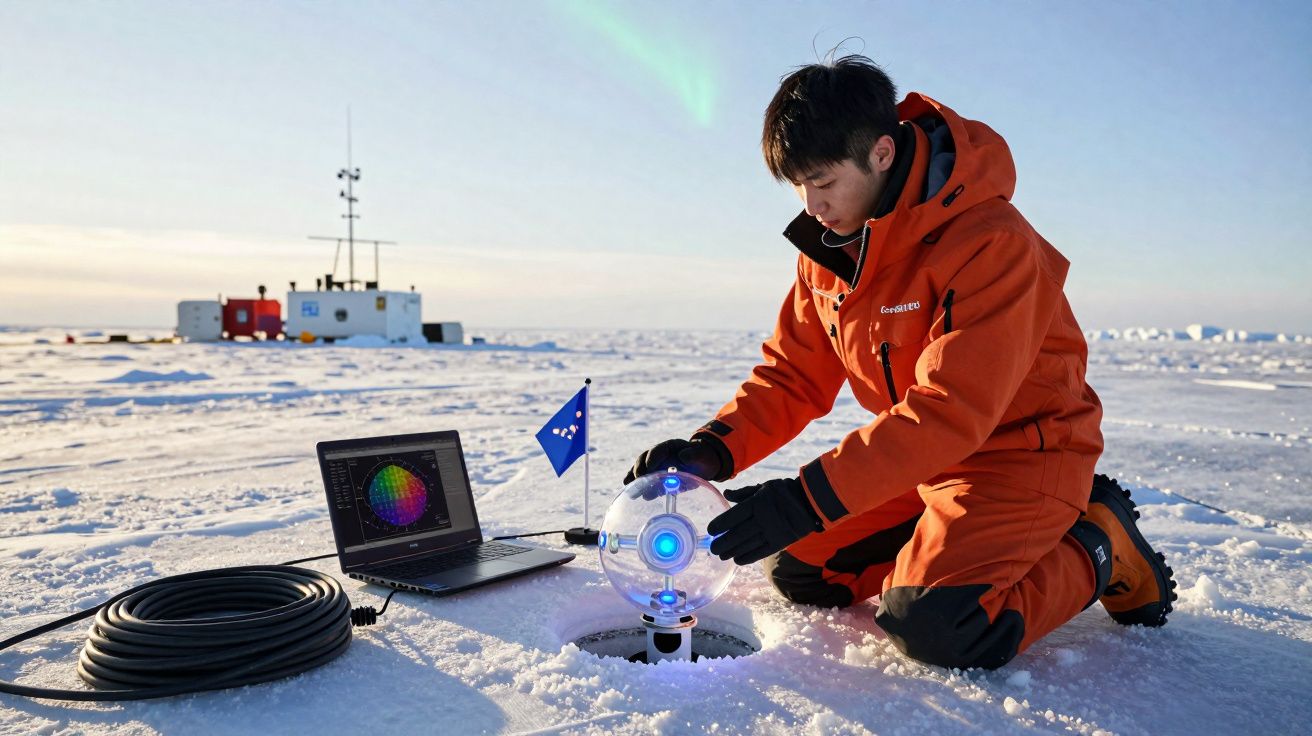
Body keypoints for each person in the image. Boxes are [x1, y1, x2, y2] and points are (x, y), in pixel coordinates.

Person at [624, 55, 1176, 670]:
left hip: (1024, 456)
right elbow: (793, 373)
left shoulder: (992, 243)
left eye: (824, 182)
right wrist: (714, 449)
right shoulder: (831, 251)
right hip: (924, 463)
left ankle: (1098, 540)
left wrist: (803, 499)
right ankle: (940, 539)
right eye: (799, 186)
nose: (811, 205)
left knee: (940, 626)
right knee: (803, 569)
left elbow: (950, 410)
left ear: (881, 153)